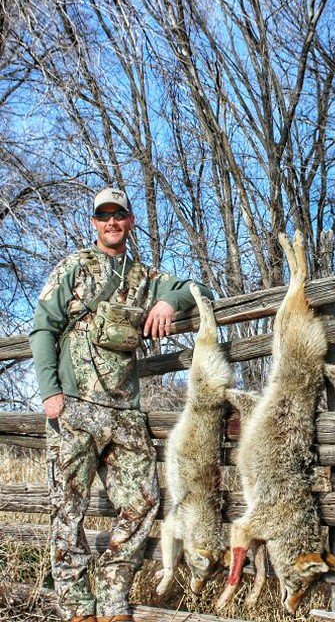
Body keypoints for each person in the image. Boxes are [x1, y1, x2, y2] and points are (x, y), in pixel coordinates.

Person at [29, 187, 211, 622]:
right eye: (103, 215)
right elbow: (43, 327)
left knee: (144, 500)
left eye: (119, 214)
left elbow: (195, 287)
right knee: (67, 507)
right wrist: (50, 391)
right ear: (94, 222)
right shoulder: (74, 267)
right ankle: (77, 606)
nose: (111, 222)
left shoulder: (144, 277)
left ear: (130, 221)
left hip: (125, 412)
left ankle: (114, 598)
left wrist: (168, 300)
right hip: (74, 405)